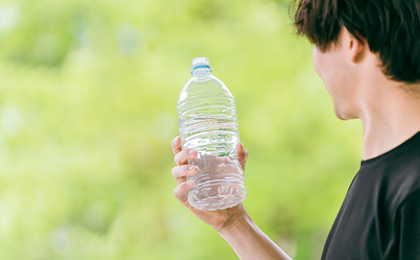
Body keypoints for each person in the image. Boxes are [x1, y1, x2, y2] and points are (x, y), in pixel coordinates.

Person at [170, 0, 420, 258]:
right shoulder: (384, 177)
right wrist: (232, 222)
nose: (316, 64)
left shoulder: (413, 190)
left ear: (351, 42)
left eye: (316, 43)